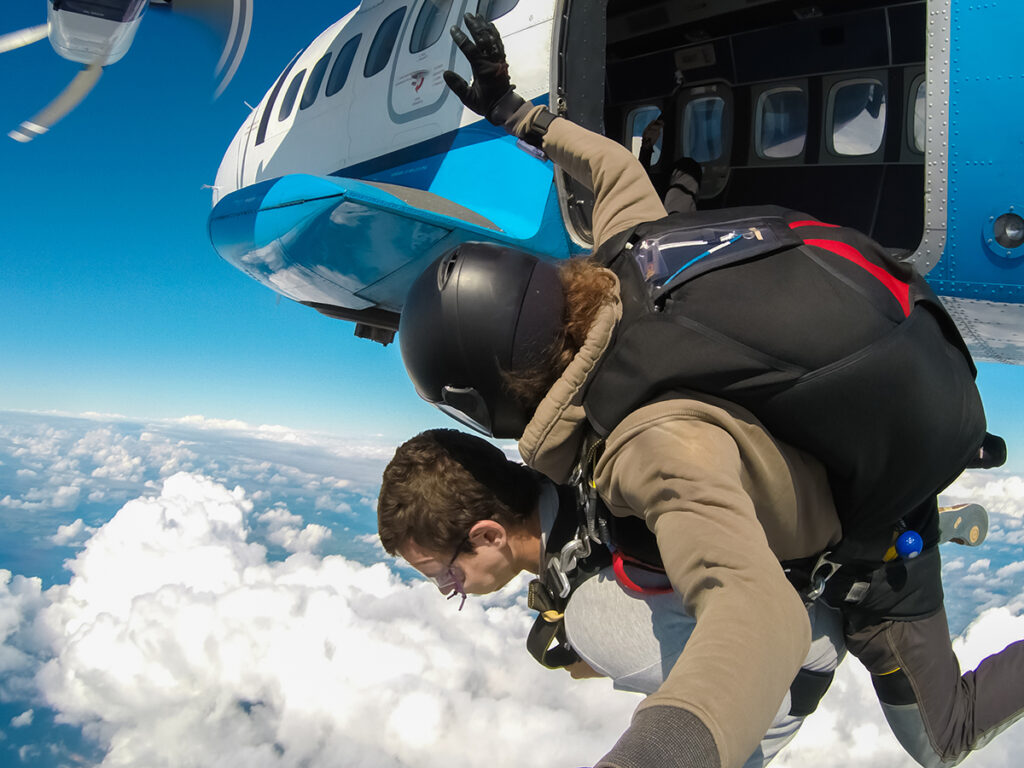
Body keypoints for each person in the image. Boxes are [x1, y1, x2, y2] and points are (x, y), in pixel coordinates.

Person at [398, 13, 1024, 768]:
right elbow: (613, 171)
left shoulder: (652, 444)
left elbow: (758, 617)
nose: (448, 585)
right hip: (850, 397)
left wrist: (662, 752)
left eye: (443, 576)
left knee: (942, 739)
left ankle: (922, 528)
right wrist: (515, 113)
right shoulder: (630, 256)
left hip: (879, 524)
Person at [377, 429, 845, 768]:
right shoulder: (571, 477)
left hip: (790, 664)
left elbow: (748, 662)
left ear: (489, 535)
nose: (451, 590)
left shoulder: (589, 610)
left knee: (589, 622)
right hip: (795, 609)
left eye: (446, 575)